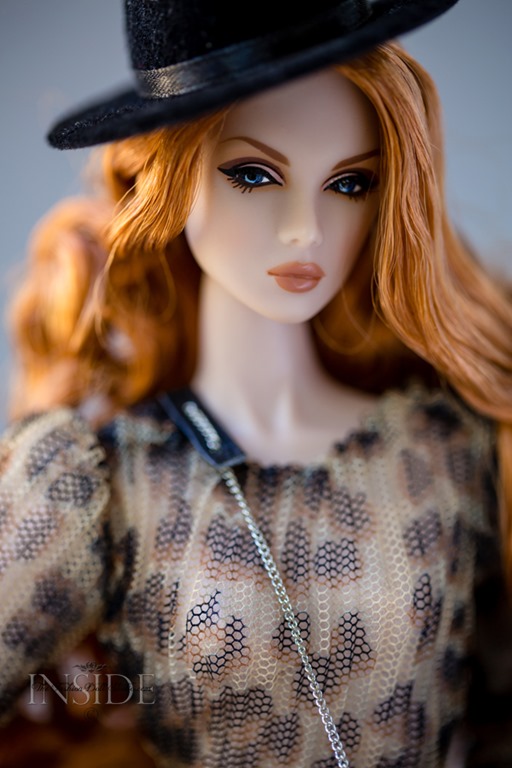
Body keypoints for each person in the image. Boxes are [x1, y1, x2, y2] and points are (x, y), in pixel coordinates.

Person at [1, 1, 512, 766]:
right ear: (169, 177)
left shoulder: (449, 452)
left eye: (350, 184)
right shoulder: (101, 484)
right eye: (253, 174)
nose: (306, 229)